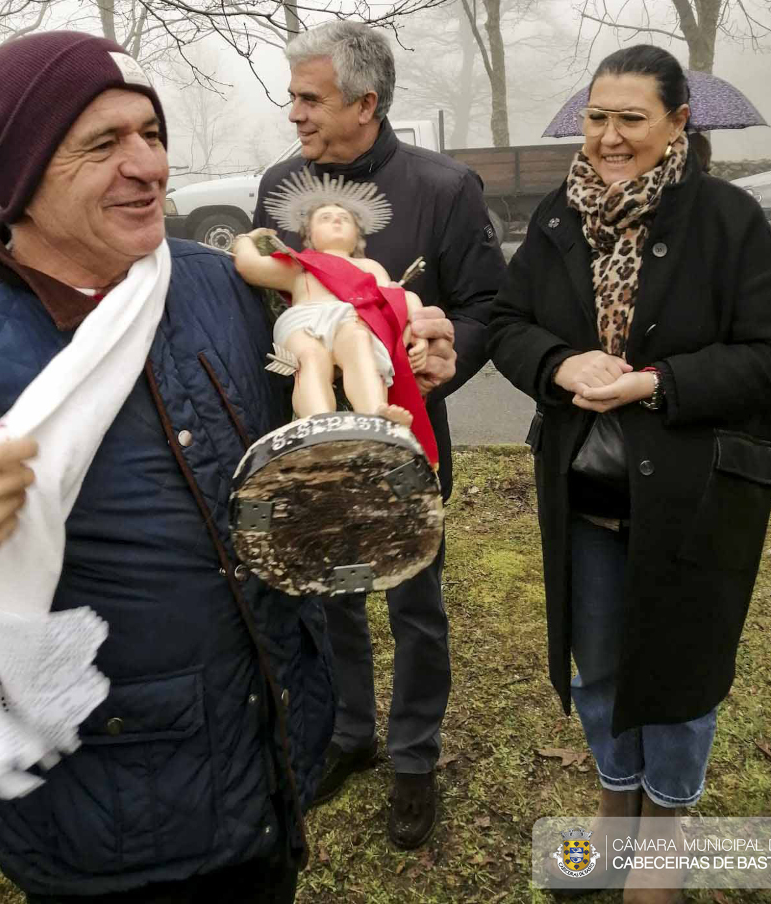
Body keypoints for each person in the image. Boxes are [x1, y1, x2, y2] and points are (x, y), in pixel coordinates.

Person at [0, 31, 459, 903]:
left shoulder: (215, 286)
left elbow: (306, 411)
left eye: (151, 134)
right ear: (21, 174)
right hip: (113, 822)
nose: (148, 166)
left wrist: (397, 353)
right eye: (103, 143)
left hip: (269, 765)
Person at [485, 45, 771, 903]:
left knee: (680, 667)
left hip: (694, 501)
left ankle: (663, 829)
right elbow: (509, 324)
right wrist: (559, 363)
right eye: (597, 117)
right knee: (601, 664)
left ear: (677, 123)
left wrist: (658, 383)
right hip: (586, 493)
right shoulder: (560, 218)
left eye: (631, 117)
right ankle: (611, 810)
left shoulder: (727, 219)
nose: (609, 136)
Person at [252, 20, 506, 849]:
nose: (293, 113)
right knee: (335, 599)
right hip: (317, 438)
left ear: (365, 102)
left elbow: (488, 307)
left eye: (309, 98)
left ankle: (414, 759)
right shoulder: (278, 185)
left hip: (407, 438)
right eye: (293, 96)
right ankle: (349, 733)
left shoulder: (444, 187)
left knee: (416, 605)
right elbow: (268, 301)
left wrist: (446, 352)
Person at [234, 192, 433, 451]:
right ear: (310, 235)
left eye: (344, 218)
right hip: (304, 321)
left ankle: (376, 419)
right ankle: (319, 427)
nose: (336, 222)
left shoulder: (371, 266)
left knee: (359, 341)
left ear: (358, 235)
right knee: (309, 357)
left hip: (352, 320)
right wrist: (245, 240)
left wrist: (418, 335)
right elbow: (250, 266)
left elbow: (398, 298)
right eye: (325, 218)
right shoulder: (299, 266)